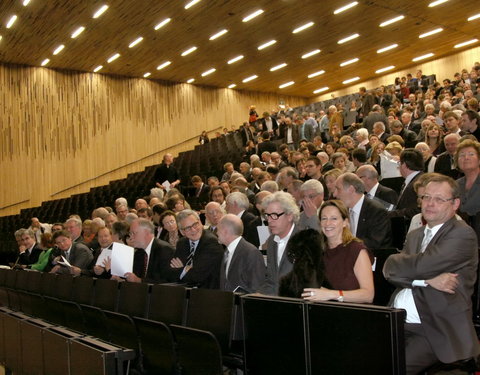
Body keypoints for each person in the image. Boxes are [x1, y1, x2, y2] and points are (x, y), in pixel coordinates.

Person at [383, 174, 479, 374]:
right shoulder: (415, 235)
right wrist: (425, 281)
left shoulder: (462, 234)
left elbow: (420, 265)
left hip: (433, 327)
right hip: (396, 320)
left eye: (439, 199)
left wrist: (396, 262)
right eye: (426, 197)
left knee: (391, 368)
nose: (430, 203)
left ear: (455, 204)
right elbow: (389, 272)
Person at [302, 200, 374, 303]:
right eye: (324, 218)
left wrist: (332, 294)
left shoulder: (357, 250)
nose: (327, 223)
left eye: (334, 218)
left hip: (352, 313)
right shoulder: (317, 251)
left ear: (345, 222)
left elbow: (368, 295)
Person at [258, 191, 300, 295]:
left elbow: (305, 284)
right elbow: (272, 280)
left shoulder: (303, 240)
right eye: (267, 215)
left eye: (274, 215)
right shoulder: (272, 240)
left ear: (289, 216)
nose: (270, 221)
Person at [168, 210, 224, 288]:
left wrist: (182, 269)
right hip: (185, 291)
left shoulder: (211, 242)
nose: (193, 230)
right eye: (187, 228)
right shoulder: (182, 243)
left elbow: (198, 276)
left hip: (208, 293)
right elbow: (171, 272)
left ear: (200, 222)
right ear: (182, 232)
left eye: (195, 224)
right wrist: (186, 269)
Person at [216, 214, 266, 292]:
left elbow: (257, 287)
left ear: (225, 231)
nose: (217, 233)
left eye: (218, 229)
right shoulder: (227, 251)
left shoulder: (251, 252)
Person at [124, 218, 174, 283]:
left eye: (133, 233)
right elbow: (134, 276)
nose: (131, 238)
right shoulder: (139, 252)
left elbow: (167, 281)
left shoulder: (164, 250)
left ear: (146, 233)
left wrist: (139, 281)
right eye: (130, 234)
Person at [455, 139, 480, 243]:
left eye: (471, 154)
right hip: (462, 239)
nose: (466, 158)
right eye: (461, 155)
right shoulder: (455, 184)